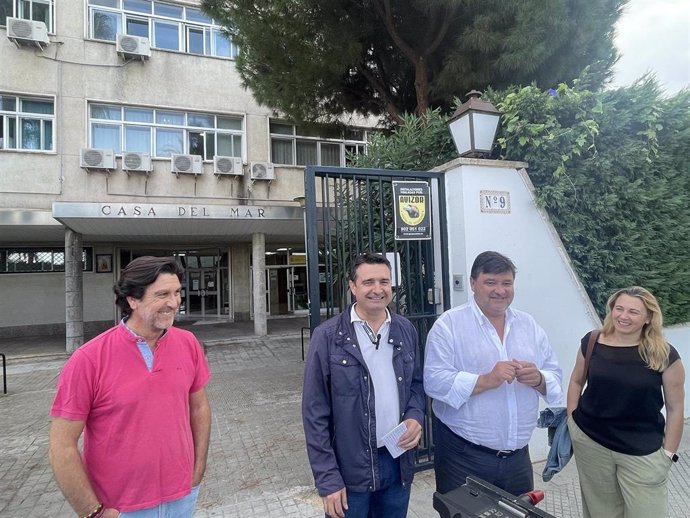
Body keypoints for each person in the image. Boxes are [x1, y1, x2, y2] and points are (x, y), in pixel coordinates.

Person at [49, 256, 212, 518]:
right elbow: (61, 444)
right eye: (162, 294)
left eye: (177, 292)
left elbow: (199, 407)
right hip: (121, 508)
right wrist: (93, 512)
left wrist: (198, 468)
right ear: (132, 300)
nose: (174, 302)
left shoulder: (188, 343)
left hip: (182, 497)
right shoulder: (88, 359)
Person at [424, 251, 562, 496]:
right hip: (463, 457)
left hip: (518, 458)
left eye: (506, 283)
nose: (500, 290)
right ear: (473, 283)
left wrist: (539, 379)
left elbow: (555, 375)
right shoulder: (449, 325)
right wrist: (486, 380)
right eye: (491, 282)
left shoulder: (528, 325)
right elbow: (434, 382)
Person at [302, 253, 425, 518]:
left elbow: (416, 384)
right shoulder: (327, 336)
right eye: (369, 281)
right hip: (349, 471)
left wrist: (416, 416)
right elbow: (314, 413)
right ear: (352, 286)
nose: (378, 289)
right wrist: (328, 479)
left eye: (384, 281)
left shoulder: (405, 329)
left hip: (397, 462)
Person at [567, 286, 685, 518]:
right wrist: (572, 419)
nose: (623, 316)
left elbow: (676, 408)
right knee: (601, 512)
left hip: (642, 450)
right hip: (592, 442)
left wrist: (668, 453)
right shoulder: (592, 341)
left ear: (648, 317)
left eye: (633, 311)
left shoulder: (663, 355)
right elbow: (576, 380)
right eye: (618, 309)